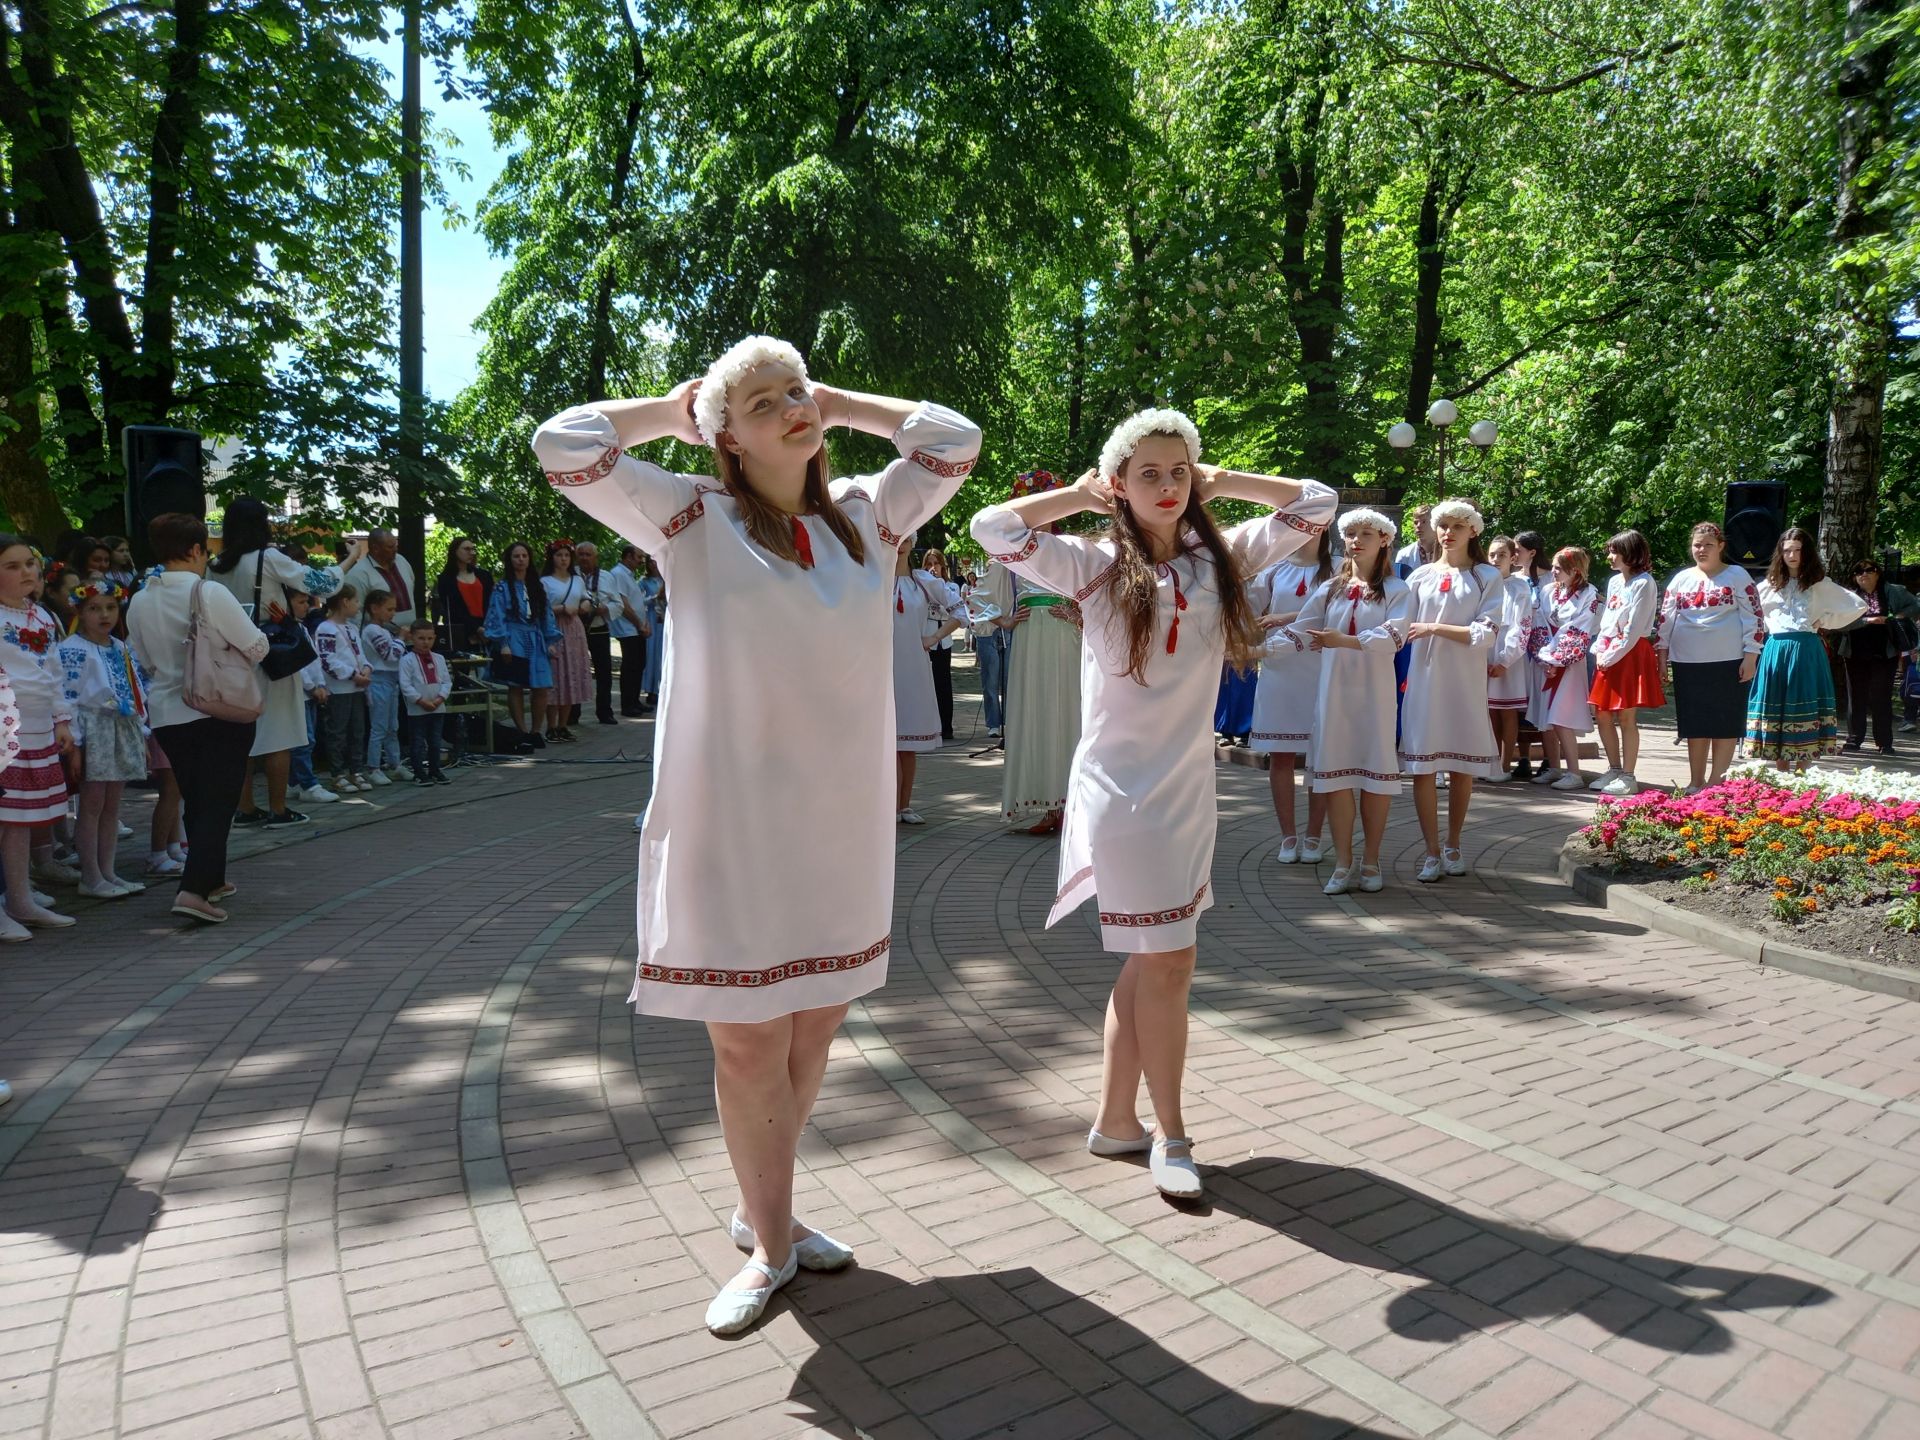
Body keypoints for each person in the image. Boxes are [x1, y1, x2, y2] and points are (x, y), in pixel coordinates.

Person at [533, 333, 981, 1335]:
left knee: (814, 1027)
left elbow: (954, 440)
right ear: (726, 437)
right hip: (729, 821)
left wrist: (840, 400)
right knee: (747, 1045)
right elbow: (563, 445)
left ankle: (758, 1205)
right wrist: (676, 411)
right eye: (764, 401)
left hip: (839, 822)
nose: (792, 407)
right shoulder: (691, 515)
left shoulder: (870, 515)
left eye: (797, 391)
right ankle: (772, 1247)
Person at [972, 408, 1335, 1201]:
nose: (1168, 486)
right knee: (1169, 961)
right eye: (1149, 474)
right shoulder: (1091, 564)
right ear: (1120, 485)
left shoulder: (1221, 558)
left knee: (1152, 957)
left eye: (1179, 472)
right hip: (1121, 795)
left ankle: (1116, 1121)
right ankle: (1172, 1134)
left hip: (1189, 792)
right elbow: (991, 527)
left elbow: (1317, 502)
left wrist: (1226, 481)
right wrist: (1078, 496)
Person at [125, 513, 271, 924]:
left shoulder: (140, 599)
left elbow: (144, 659)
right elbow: (257, 647)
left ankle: (211, 878)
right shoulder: (209, 592)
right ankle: (193, 890)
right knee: (218, 802)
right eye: (205, 550)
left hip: (168, 712)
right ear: (194, 549)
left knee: (197, 797)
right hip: (219, 708)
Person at [207, 497, 364, 826]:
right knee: (278, 734)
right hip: (271, 652)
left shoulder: (216, 564)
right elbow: (321, 583)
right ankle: (278, 809)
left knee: (241, 735)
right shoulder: (267, 558)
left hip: (230, 654)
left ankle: (245, 808)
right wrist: (350, 558)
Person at [1284, 509, 1409, 896]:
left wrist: (1346, 641)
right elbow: (1301, 630)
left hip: (1374, 696)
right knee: (1336, 780)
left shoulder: (1397, 589)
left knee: (1374, 779)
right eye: (1350, 533)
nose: (1355, 540)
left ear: (1384, 540)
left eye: (1365, 534)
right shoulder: (1331, 588)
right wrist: (1256, 650)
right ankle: (1342, 862)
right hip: (1334, 694)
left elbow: (1394, 636)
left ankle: (1370, 859)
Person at [1399, 499, 1503, 880]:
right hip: (1425, 682)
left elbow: (1486, 633)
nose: (1448, 533)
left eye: (1457, 526)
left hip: (1464, 683)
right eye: (1442, 525)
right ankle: (1430, 851)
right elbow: (1397, 625)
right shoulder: (1419, 577)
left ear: (1473, 531)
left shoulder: (1486, 577)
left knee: (1461, 767)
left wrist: (1433, 628)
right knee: (1422, 768)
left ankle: (1453, 843)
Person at [984, 471, 1083, 834]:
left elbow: (1097, 590)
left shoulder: (1071, 548)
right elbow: (978, 599)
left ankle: (1071, 805)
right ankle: (1047, 803)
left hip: (1065, 636)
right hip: (1029, 638)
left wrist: (1079, 615)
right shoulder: (1009, 552)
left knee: (1067, 710)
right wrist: (1005, 620)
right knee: (1036, 711)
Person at [0, 538, 76, 938]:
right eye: (12, 566)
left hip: (35, 727)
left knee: (19, 820)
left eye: (29, 563)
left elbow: (53, 671)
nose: (27, 572)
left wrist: (61, 719)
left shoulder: (42, 616)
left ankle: (19, 899)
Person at [56, 582, 150, 899]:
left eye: (110, 607)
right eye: (94, 609)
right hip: (92, 729)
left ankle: (108, 872)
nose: (104, 615)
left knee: (112, 807)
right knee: (91, 805)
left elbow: (134, 690)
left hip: (119, 727)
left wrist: (141, 733)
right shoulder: (72, 649)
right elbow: (67, 698)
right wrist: (76, 746)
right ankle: (91, 876)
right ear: (80, 612)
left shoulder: (119, 647)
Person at [1655, 521, 1763, 791]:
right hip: (1687, 662)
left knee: (1725, 722)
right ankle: (1695, 781)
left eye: (1708, 545)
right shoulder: (1681, 579)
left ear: (1721, 546)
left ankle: (1717, 783)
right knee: (1695, 723)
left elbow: (1754, 616)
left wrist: (1751, 656)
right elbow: (1666, 619)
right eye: (1697, 545)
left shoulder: (1737, 575)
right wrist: (1662, 657)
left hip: (1729, 661)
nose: (1701, 550)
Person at [1747, 527, 1865, 770]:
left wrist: (1825, 621)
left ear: (1806, 552)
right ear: (1780, 553)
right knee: (1779, 704)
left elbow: (1857, 605)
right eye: (1787, 550)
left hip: (1806, 650)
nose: (1792, 555)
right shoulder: (1768, 585)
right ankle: (1781, 770)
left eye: (1797, 550)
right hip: (1776, 650)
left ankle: (1803, 769)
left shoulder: (1819, 584)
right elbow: (1750, 613)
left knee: (1805, 701)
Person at [1249, 528, 1333, 862]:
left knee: (1321, 757)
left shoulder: (1339, 567)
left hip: (1322, 669)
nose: (1305, 530)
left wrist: (1286, 618)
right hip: (1279, 670)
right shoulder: (1273, 570)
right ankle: (1288, 837)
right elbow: (1247, 610)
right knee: (1281, 756)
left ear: (1324, 526)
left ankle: (1314, 836)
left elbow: (1336, 613)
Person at [1586, 529, 1665, 795]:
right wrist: (1600, 650)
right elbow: (1608, 619)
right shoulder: (1614, 582)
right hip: (1608, 651)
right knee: (1602, 713)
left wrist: (1610, 655)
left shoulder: (1644, 583)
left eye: (1615, 551)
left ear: (1630, 553)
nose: (1610, 557)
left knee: (1626, 716)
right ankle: (1614, 768)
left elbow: (1634, 628)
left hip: (1629, 652)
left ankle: (1629, 776)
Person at [893, 535, 962, 823]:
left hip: (913, 668)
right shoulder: (872, 578)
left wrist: (934, 637)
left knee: (906, 744)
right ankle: (886, 809)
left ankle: (903, 806)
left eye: (907, 537)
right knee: (886, 744)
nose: (901, 543)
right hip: (880, 668)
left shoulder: (922, 581)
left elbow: (960, 610)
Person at [1528, 547, 1601, 790]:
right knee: (1545, 717)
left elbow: (1580, 629)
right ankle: (1554, 767)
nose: (1554, 571)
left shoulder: (1588, 594)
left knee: (1561, 717)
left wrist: (1557, 659)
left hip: (1568, 663)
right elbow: (1538, 622)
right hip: (1545, 659)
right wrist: (1544, 659)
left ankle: (1574, 772)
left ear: (1575, 570)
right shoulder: (1549, 590)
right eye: (1554, 567)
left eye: (1559, 568)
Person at [1836, 559, 1918, 756]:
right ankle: (1854, 740)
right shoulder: (1848, 597)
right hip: (1855, 652)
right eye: (1858, 572)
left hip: (1885, 652)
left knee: (1881, 696)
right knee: (1856, 697)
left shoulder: (1894, 591)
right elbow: (1839, 623)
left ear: (1878, 573)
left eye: (1869, 570)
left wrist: (1897, 616)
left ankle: (1884, 742)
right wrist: (1867, 621)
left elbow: (1915, 606)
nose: (1863, 574)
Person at [485, 541, 558, 751]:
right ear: (510, 560)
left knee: (541, 686)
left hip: (535, 638)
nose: (521, 559)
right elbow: (497, 615)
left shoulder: (537, 586)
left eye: (524, 555)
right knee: (516, 685)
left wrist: (549, 640)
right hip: (514, 637)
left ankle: (536, 731)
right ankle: (522, 731)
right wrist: (504, 643)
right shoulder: (502, 587)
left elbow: (546, 614)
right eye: (516, 556)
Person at [316, 587, 374, 796]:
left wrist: (366, 668)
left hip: (357, 689)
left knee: (357, 731)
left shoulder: (351, 628)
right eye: (356, 600)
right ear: (344, 601)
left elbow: (360, 654)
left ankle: (356, 770)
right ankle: (337, 774)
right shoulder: (326, 628)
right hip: (339, 690)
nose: (359, 605)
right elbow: (327, 659)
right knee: (338, 732)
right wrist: (352, 675)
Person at [1484, 536, 1533, 780]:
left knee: (1507, 710)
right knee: (1491, 711)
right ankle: (1491, 761)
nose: (1495, 559)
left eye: (1501, 555)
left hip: (1508, 654)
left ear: (1513, 558)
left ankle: (1504, 765)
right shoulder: (1484, 583)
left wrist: (1505, 660)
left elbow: (1521, 625)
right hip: (1486, 650)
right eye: (1492, 554)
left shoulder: (1519, 587)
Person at [541, 540, 591, 740]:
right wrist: (561, 609)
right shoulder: (545, 582)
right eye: (559, 555)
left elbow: (585, 597)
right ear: (551, 558)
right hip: (554, 628)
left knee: (571, 675)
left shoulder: (577, 580)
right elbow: (539, 609)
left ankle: (563, 725)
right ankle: (551, 726)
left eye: (566, 555)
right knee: (556, 676)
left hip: (574, 629)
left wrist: (586, 604)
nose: (563, 559)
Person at [291, 598, 337, 801]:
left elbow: (313, 660)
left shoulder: (301, 628)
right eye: (300, 602)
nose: (306, 606)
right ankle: (307, 784)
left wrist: (320, 684)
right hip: (299, 694)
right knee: (304, 740)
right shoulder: (288, 630)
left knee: (308, 739)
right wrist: (311, 686)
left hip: (311, 693)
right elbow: (296, 665)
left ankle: (294, 782)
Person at [359, 588, 407, 782]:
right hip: (378, 682)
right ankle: (373, 768)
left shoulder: (384, 631)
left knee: (392, 726)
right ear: (374, 608)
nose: (393, 613)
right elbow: (390, 655)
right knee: (379, 726)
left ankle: (395, 763)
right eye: (389, 609)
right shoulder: (372, 630)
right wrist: (401, 638)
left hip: (392, 681)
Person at [399, 619, 453, 785]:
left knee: (435, 741)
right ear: (412, 638)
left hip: (437, 707)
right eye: (421, 638)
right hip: (417, 709)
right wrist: (420, 701)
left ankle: (435, 770)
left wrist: (439, 699)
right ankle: (419, 773)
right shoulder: (407, 660)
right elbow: (405, 685)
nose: (426, 642)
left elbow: (447, 681)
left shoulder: (439, 658)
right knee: (417, 742)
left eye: (429, 638)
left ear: (434, 638)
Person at [574, 541, 619, 725]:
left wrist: (605, 608)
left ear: (595, 557)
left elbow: (618, 604)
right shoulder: (571, 574)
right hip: (575, 629)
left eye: (588, 554)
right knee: (575, 670)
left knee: (604, 672)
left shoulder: (607, 577)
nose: (584, 558)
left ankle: (605, 712)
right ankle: (572, 713)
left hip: (599, 629)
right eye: (581, 554)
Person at [919, 547, 962, 740]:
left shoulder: (951, 587)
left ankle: (946, 726)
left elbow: (948, 610)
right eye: (929, 564)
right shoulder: (921, 587)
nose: (933, 567)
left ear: (942, 566)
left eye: (936, 564)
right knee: (927, 681)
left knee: (944, 682)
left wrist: (937, 584)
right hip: (927, 636)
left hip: (943, 638)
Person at [608, 543, 652, 718]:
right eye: (639, 557)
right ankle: (627, 705)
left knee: (639, 664)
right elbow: (623, 604)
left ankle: (635, 701)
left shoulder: (629, 575)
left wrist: (644, 623)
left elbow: (637, 602)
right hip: (628, 628)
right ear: (628, 557)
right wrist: (639, 624)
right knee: (630, 666)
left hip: (636, 628)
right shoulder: (618, 574)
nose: (642, 561)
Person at [344, 528, 419, 628]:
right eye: (390, 547)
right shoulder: (358, 573)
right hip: (379, 635)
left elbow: (411, 587)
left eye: (396, 545)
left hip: (410, 633)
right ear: (376, 548)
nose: (395, 549)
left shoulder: (401, 561)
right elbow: (354, 612)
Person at [966, 563, 1008, 737]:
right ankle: (993, 723)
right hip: (987, 631)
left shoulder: (1015, 568)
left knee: (1009, 681)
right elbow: (973, 598)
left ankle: (1008, 721)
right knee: (990, 681)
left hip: (1008, 629)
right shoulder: (995, 569)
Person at [433, 536, 493, 657]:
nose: (471, 552)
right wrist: (476, 629)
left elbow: (492, 603)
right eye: (466, 549)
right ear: (455, 551)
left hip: (487, 629)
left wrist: (486, 627)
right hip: (461, 632)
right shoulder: (446, 579)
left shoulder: (484, 576)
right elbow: (453, 609)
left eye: (472, 549)